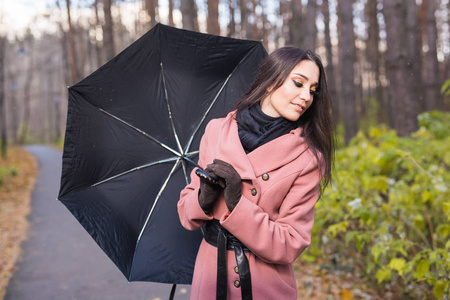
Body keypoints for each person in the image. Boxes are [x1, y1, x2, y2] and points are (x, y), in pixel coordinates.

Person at [177, 46, 335, 300]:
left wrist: (237, 204)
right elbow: (186, 215)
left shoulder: (308, 158)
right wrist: (202, 197)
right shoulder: (217, 130)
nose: (307, 96)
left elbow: (290, 243)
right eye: (298, 83)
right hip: (210, 278)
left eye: (313, 90)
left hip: (263, 284)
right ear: (271, 81)